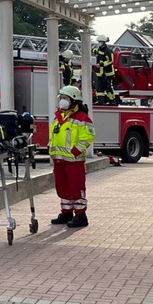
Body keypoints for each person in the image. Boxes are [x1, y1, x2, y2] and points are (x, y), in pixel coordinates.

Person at [49, 84, 95, 229]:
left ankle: (81, 215)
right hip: (59, 160)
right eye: (61, 98)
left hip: (74, 161)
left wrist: (76, 151)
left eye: (65, 98)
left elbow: (88, 137)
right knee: (62, 187)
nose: (62, 101)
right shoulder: (59, 117)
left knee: (76, 187)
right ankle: (66, 212)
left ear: (74, 100)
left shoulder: (82, 118)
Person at [93, 35, 117, 105]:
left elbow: (110, 61)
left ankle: (112, 101)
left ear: (104, 42)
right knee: (99, 88)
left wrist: (101, 65)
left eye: (100, 42)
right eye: (98, 42)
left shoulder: (108, 51)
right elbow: (94, 51)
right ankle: (100, 101)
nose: (99, 43)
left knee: (108, 88)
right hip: (100, 73)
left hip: (108, 73)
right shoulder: (99, 50)